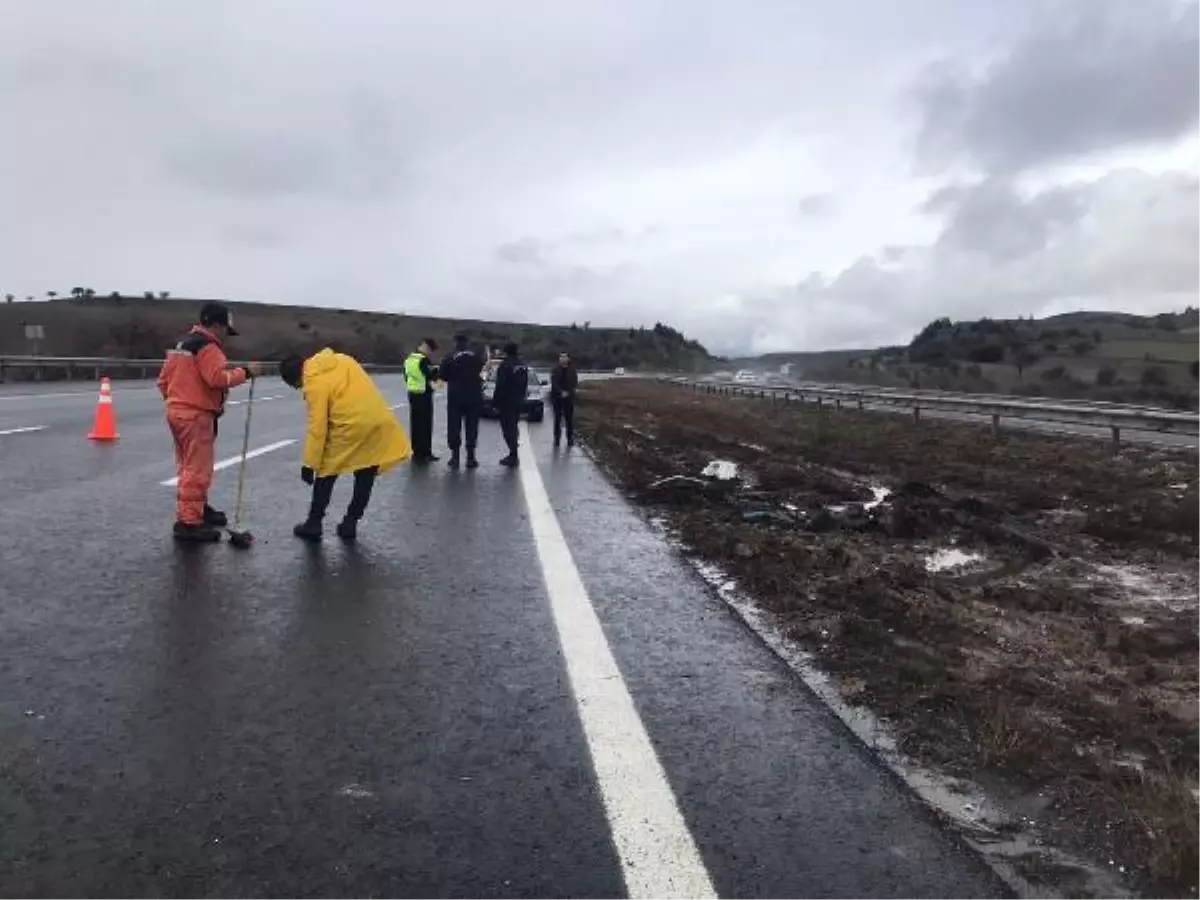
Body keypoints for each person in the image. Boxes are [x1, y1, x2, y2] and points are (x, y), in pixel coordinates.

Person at [280, 348, 412, 542]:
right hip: (377, 420)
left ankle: (314, 523)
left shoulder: (313, 383)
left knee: (326, 472)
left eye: (296, 386)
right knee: (366, 471)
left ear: (295, 378)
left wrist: (310, 464)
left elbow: (318, 428)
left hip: (348, 426)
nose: (300, 389)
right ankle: (350, 523)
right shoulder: (343, 359)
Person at [158, 302, 262, 542]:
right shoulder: (208, 348)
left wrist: (177, 402)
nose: (226, 335)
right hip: (196, 416)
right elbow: (217, 378)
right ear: (216, 325)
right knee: (197, 469)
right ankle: (189, 523)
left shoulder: (180, 345)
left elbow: (163, 382)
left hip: (177, 413)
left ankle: (197, 508)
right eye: (225, 329)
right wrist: (245, 372)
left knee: (186, 464)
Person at [439, 333, 485, 469]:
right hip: (474, 396)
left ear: (456, 342)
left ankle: (455, 457)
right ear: (467, 342)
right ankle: (471, 458)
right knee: (472, 427)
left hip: (455, 396)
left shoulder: (449, 356)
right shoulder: (477, 357)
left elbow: (442, 375)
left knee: (454, 426)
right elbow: (484, 374)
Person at [493, 342, 529, 467]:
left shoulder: (505, 365)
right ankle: (513, 452)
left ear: (506, 352)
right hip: (518, 400)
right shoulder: (523, 365)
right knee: (513, 425)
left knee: (508, 429)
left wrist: (495, 402)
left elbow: (500, 385)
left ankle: (513, 455)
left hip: (507, 401)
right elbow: (525, 383)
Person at [405, 338, 439, 464]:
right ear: (426, 347)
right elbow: (430, 375)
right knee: (425, 425)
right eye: (430, 350)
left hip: (412, 394)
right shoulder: (424, 360)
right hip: (424, 395)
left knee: (415, 424)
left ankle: (416, 451)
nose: (430, 353)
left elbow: (406, 376)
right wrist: (436, 371)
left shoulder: (409, 359)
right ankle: (426, 452)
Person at [550, 351, 579, 447]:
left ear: (568, 359)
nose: (563, 359)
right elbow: (553, 383)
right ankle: (557, 439)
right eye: (561, 357)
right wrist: (560, 392)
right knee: (557, 419)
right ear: (559, 359)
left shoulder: (572, 370)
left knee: (569, 420)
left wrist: (568, 392)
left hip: (569, 398)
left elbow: (574, 383)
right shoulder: (555, 370)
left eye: (564, 357)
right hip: (557, 398)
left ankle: (570, 438)